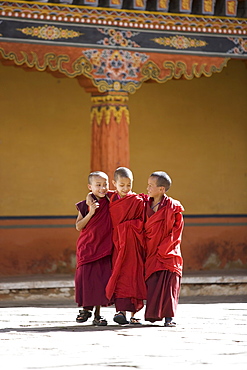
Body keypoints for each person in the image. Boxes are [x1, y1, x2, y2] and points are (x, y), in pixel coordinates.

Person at [105, 167, 146, 325]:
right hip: (117, 243)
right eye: (122, 185)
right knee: (119, 275)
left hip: (132, 244)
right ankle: (120, 311)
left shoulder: (137, 200)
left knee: (135, 276)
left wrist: (127, 227)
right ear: (114, 183)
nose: (125, 189)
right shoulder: (111, 198)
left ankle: (134, 313)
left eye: (129, 185)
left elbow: (142, 222)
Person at [144, 171, 184, 327]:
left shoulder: (173, 207)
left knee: (169, 285)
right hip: (150, 250)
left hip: (169, 252)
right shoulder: (144, 203)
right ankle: (154, 314)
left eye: (150, 185)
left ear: (161, 189)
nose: (147, 188)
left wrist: (165, 249)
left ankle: (169, 317)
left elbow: (176, 231)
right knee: (153, 284)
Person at [74, 171, 113, 326]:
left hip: (105, 248)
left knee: (101, 281)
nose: (102, 188)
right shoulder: (85, 205)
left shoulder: (111, 201)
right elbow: (78, 226)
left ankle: (98, 314)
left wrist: (91, 196)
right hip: (87, 247)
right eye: (98, 185)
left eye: (105, 184)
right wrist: (91, 212)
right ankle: (85, 309)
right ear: (90, 187)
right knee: (86, 279)